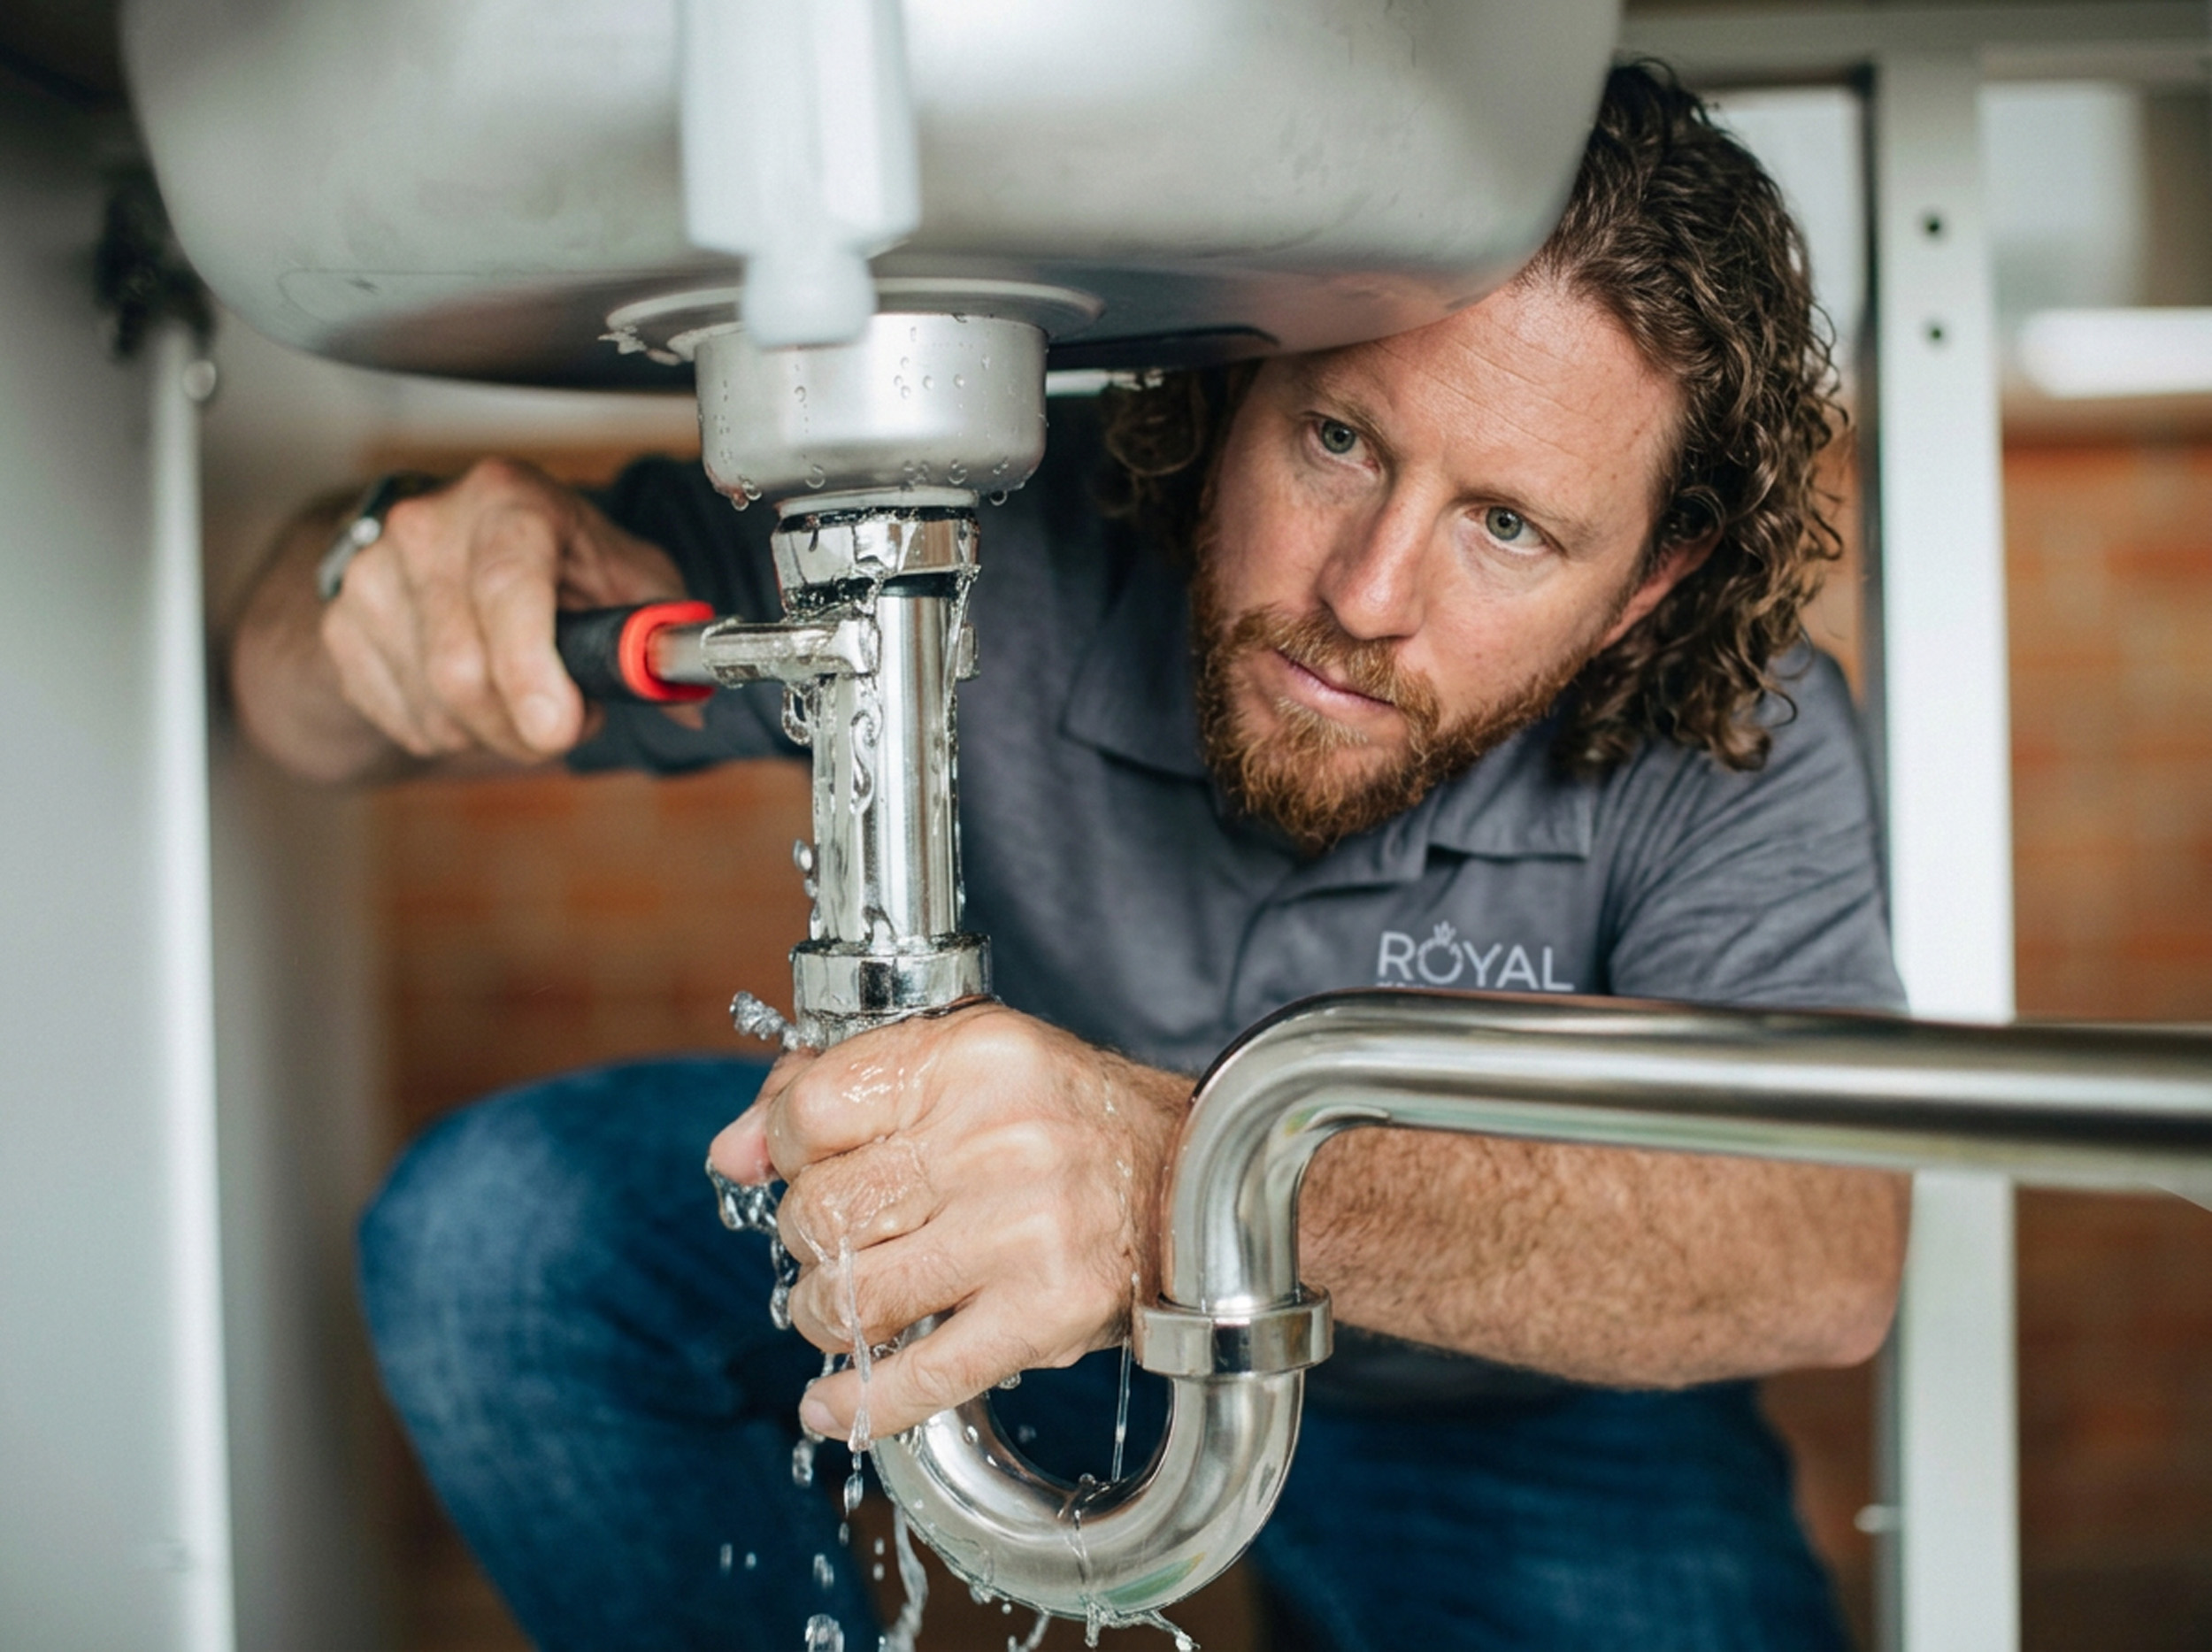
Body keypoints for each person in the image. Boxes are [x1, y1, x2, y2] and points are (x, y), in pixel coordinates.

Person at [232, 65, 1908, 1650]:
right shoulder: (982, 530)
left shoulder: (1735, 737)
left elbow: (1819, 1248)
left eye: (1510, 527)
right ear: (1234, 383)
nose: (1369, 593)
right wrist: (382, 576)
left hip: (1510, 1412)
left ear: (1645, 590)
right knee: (501, 1241)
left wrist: (1177, 1187)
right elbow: (296, 709)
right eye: (1339, 440)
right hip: (1043, 1323)